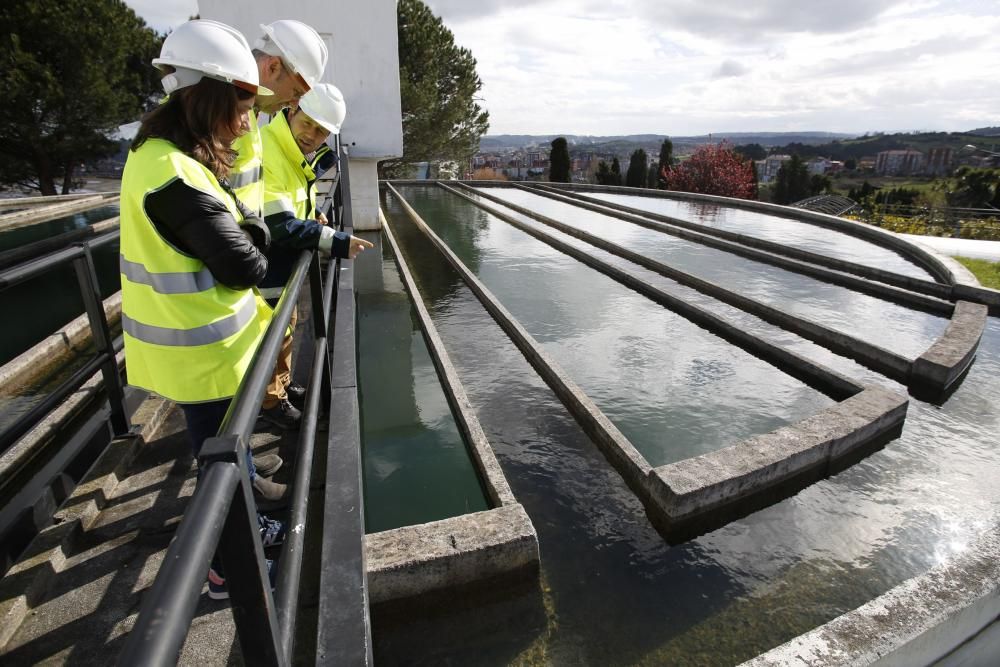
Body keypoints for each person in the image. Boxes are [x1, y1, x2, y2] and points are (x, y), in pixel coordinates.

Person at [119, 17, 290, 577]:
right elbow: (247, 262)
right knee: (216, 465)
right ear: (208, 99)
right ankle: (228, 567)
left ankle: (244, 522)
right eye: (240, 110)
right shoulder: (175, 174)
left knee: (225, 454)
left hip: (205, 349)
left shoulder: (165, 156)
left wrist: (247, 228)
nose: (245, 126)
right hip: (203, 355)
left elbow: (239, 231)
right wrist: (255, 232)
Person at [256, 83, 373, 428]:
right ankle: (271, 405)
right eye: (307, 123)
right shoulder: (268, 149)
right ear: (291, 111)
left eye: (321, 130)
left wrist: (310, 217)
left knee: (285, 331)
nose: (312, 134)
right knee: (267, 338)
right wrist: (334, 240)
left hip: (282, 266)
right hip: (266, 266)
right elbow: (278, 224)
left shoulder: (290, 151)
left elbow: (288, 205)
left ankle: (285, 385)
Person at [230, 19, 329, 217]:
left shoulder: (247, 112)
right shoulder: (222, 113)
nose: (294, 104)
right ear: (273, 67)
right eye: (295, 92)